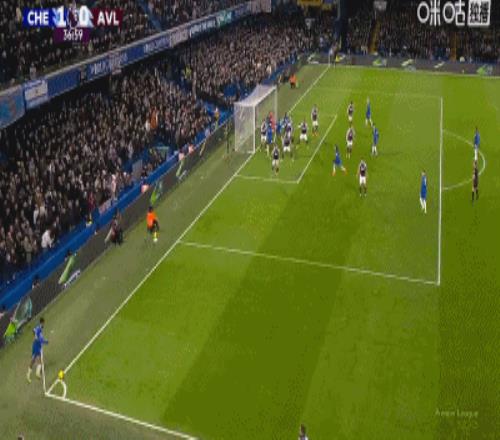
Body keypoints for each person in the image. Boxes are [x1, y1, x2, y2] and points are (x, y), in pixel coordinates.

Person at [27, 318, 48, 383]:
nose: (44, 324)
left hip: (35, 345)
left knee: (33, 360)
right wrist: (44, 341)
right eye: (43, 323)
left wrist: (39, 338)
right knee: (38, 360)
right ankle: (37, 374)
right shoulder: (39, 328)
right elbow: (38, 338)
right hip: (37, 346)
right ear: (42, 323)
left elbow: (33, 331)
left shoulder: (38, 328)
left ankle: (29, 374)